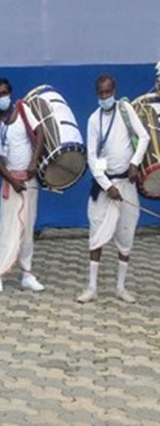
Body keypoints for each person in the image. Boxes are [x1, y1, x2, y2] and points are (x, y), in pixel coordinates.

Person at [76, 73, 149, 303]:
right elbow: (91, 157)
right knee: (96, 234)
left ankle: (120, 287)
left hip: (127, 184)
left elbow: (144, 137)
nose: (105, 96)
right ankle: (92, 288)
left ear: (114, 90)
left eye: (108, 92)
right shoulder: (93, 120)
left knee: (126, 235)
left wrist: (135, 163)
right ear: (97, 93)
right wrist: (107, 186)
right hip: (104, 187)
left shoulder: (126, 110)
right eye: (101, 93)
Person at [0, 78, 46, 293]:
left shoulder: (23, 111)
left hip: (29, 181)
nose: (2, 97)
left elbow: (40, 133)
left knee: (28, 227)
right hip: (10, 182)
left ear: (11, 93)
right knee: (7, 228)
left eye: (5, 93)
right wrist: (12, 181)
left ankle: (27, 274)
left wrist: (33, 163)